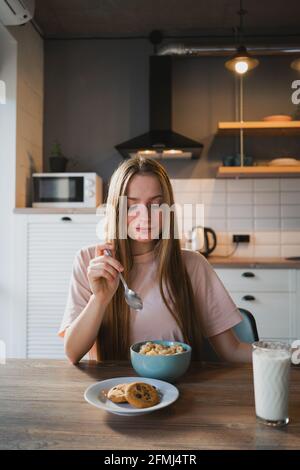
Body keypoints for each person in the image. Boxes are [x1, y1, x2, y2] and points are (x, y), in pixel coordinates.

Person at [58, 156, 252, 364]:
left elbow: (232, 351)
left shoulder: (193, 265)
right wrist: (100, 299)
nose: (145, 217)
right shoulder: (90, 261)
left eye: (156, 205)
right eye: (132, 206)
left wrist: (284, 354)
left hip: (179, 389)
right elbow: (73, 353)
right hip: (114, 392)